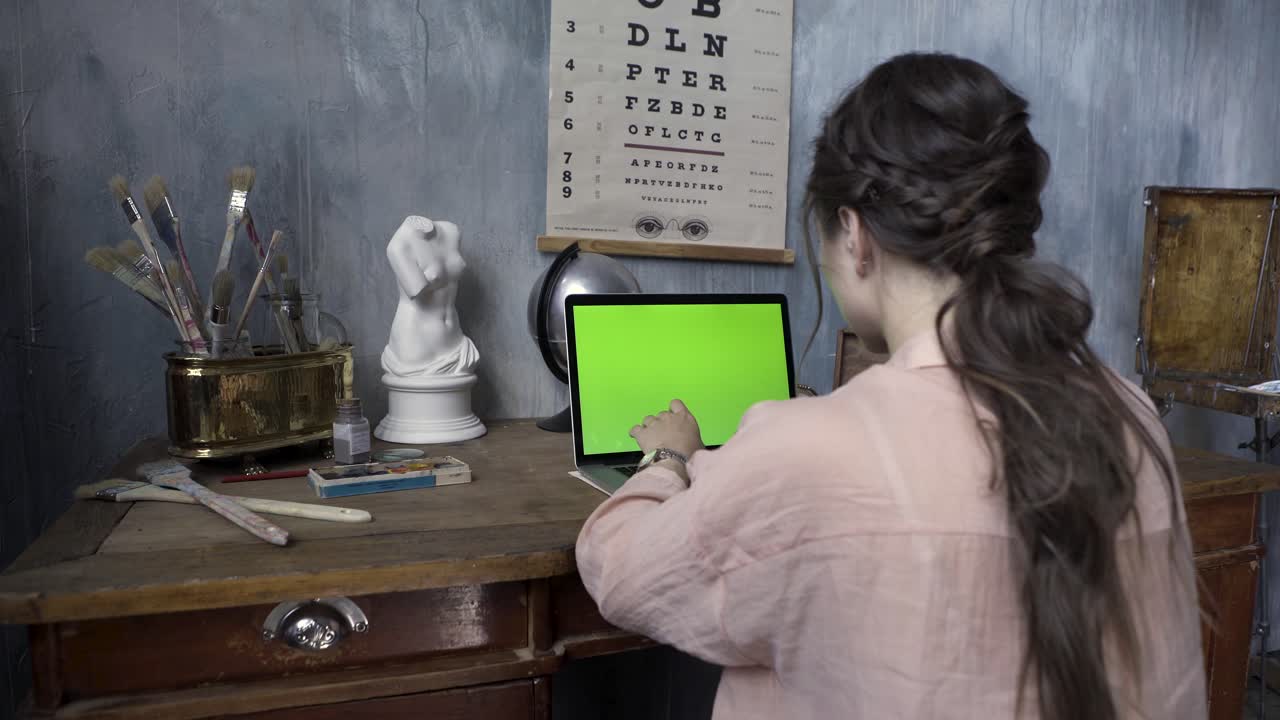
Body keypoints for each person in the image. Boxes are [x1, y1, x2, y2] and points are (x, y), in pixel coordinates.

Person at [575, 53, 1204, 720]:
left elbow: (625, 577)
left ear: (854, 234)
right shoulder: (1130, 412)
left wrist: (670, 458)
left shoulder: (808, 452)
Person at [382, 215, 478, 377]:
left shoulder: (451, 230)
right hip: (417, 341)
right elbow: (417, 290)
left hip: (455, 339)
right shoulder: (398, 247)